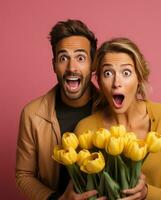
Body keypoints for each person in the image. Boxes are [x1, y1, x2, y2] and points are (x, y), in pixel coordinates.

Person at [75, 37, 161, 199]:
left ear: (139, 78)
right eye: (108, 73)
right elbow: (83, 190)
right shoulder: (85, 129)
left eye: (126, 73)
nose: (116, 83)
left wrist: (146, 193)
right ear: (99, 81)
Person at [16, 19, 105, 200]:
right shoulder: (32, 115)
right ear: (54, 65)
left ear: (93, 64)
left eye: (80, 58)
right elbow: (24, 175)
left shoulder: (110, 108)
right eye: (63, 58)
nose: (72, 68)